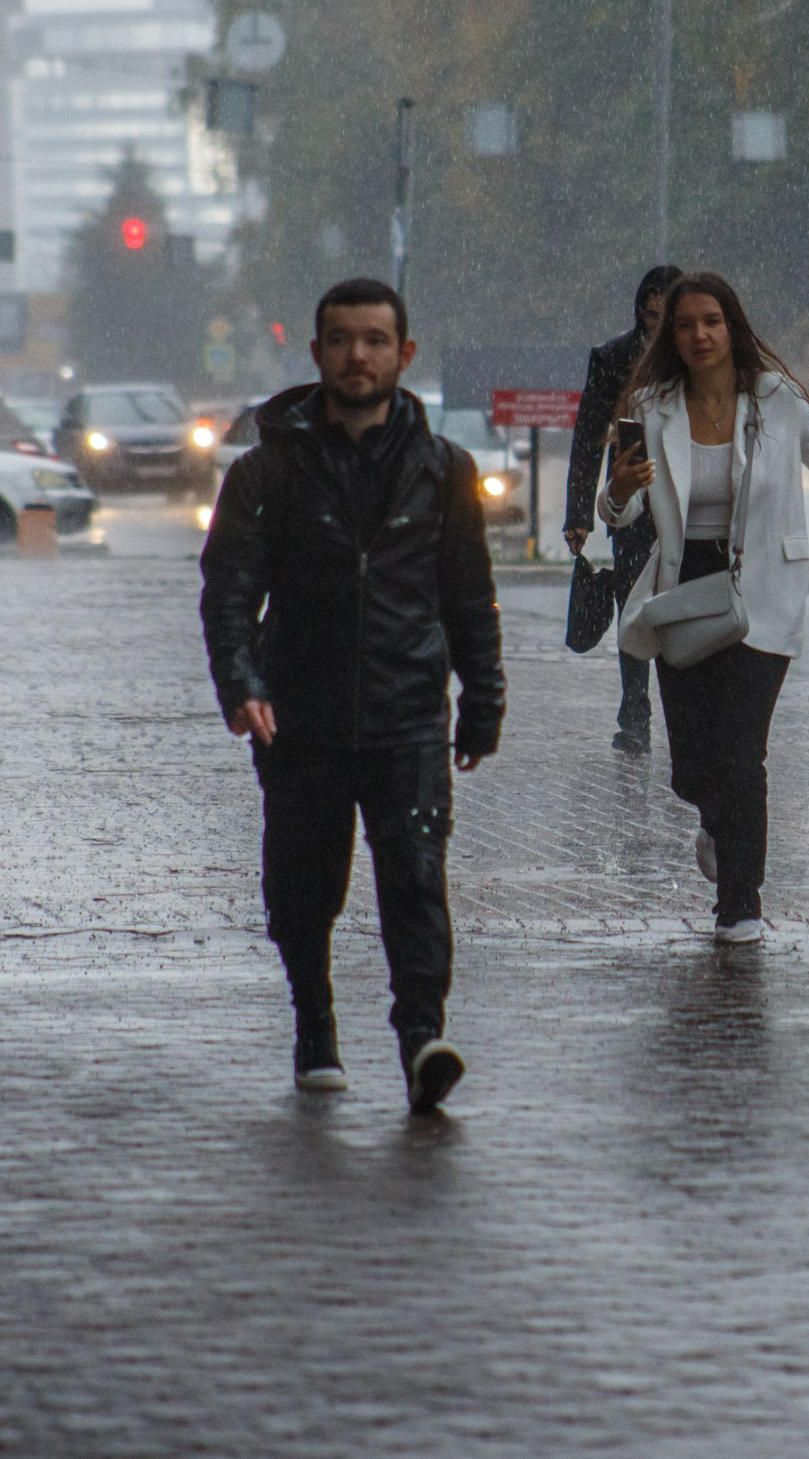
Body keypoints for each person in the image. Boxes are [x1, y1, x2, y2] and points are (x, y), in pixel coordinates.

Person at [199, 277, 505, 1113]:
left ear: (405, 355)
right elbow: (229, 591)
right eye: (342, 340)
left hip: (408, 715)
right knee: (304, 886)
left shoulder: (444, 472)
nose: (358, 355)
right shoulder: (268, 472)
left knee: (414, 883)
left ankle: (420, 1042)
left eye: (375, 340)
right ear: (317, 353)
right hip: (301, 717)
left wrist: (483, 701)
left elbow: (469, 599)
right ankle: (315, 1025)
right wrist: (243, 683)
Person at [601, 271, 809, 943]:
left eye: (711, 321)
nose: (700, 335)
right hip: (684, 588)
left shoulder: (776, 400)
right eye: (685, 325)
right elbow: (621, 510)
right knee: (690, 766)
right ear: (671, 337)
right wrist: (616, 492)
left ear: (732, 325)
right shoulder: (651, 407)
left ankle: (739, 904)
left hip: (764, 588)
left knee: (743, 754)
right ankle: (717, 819)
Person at [565, 264, 684, 754]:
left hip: (683, 503)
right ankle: (634, 713)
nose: (656, 326)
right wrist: (578, 514)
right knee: (632, 609)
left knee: (679, 614)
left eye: (665, 315)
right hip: (629, 503)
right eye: (648, 315)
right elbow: (588, 437)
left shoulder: (694, 357)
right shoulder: (613, 358)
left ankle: (681, 713)